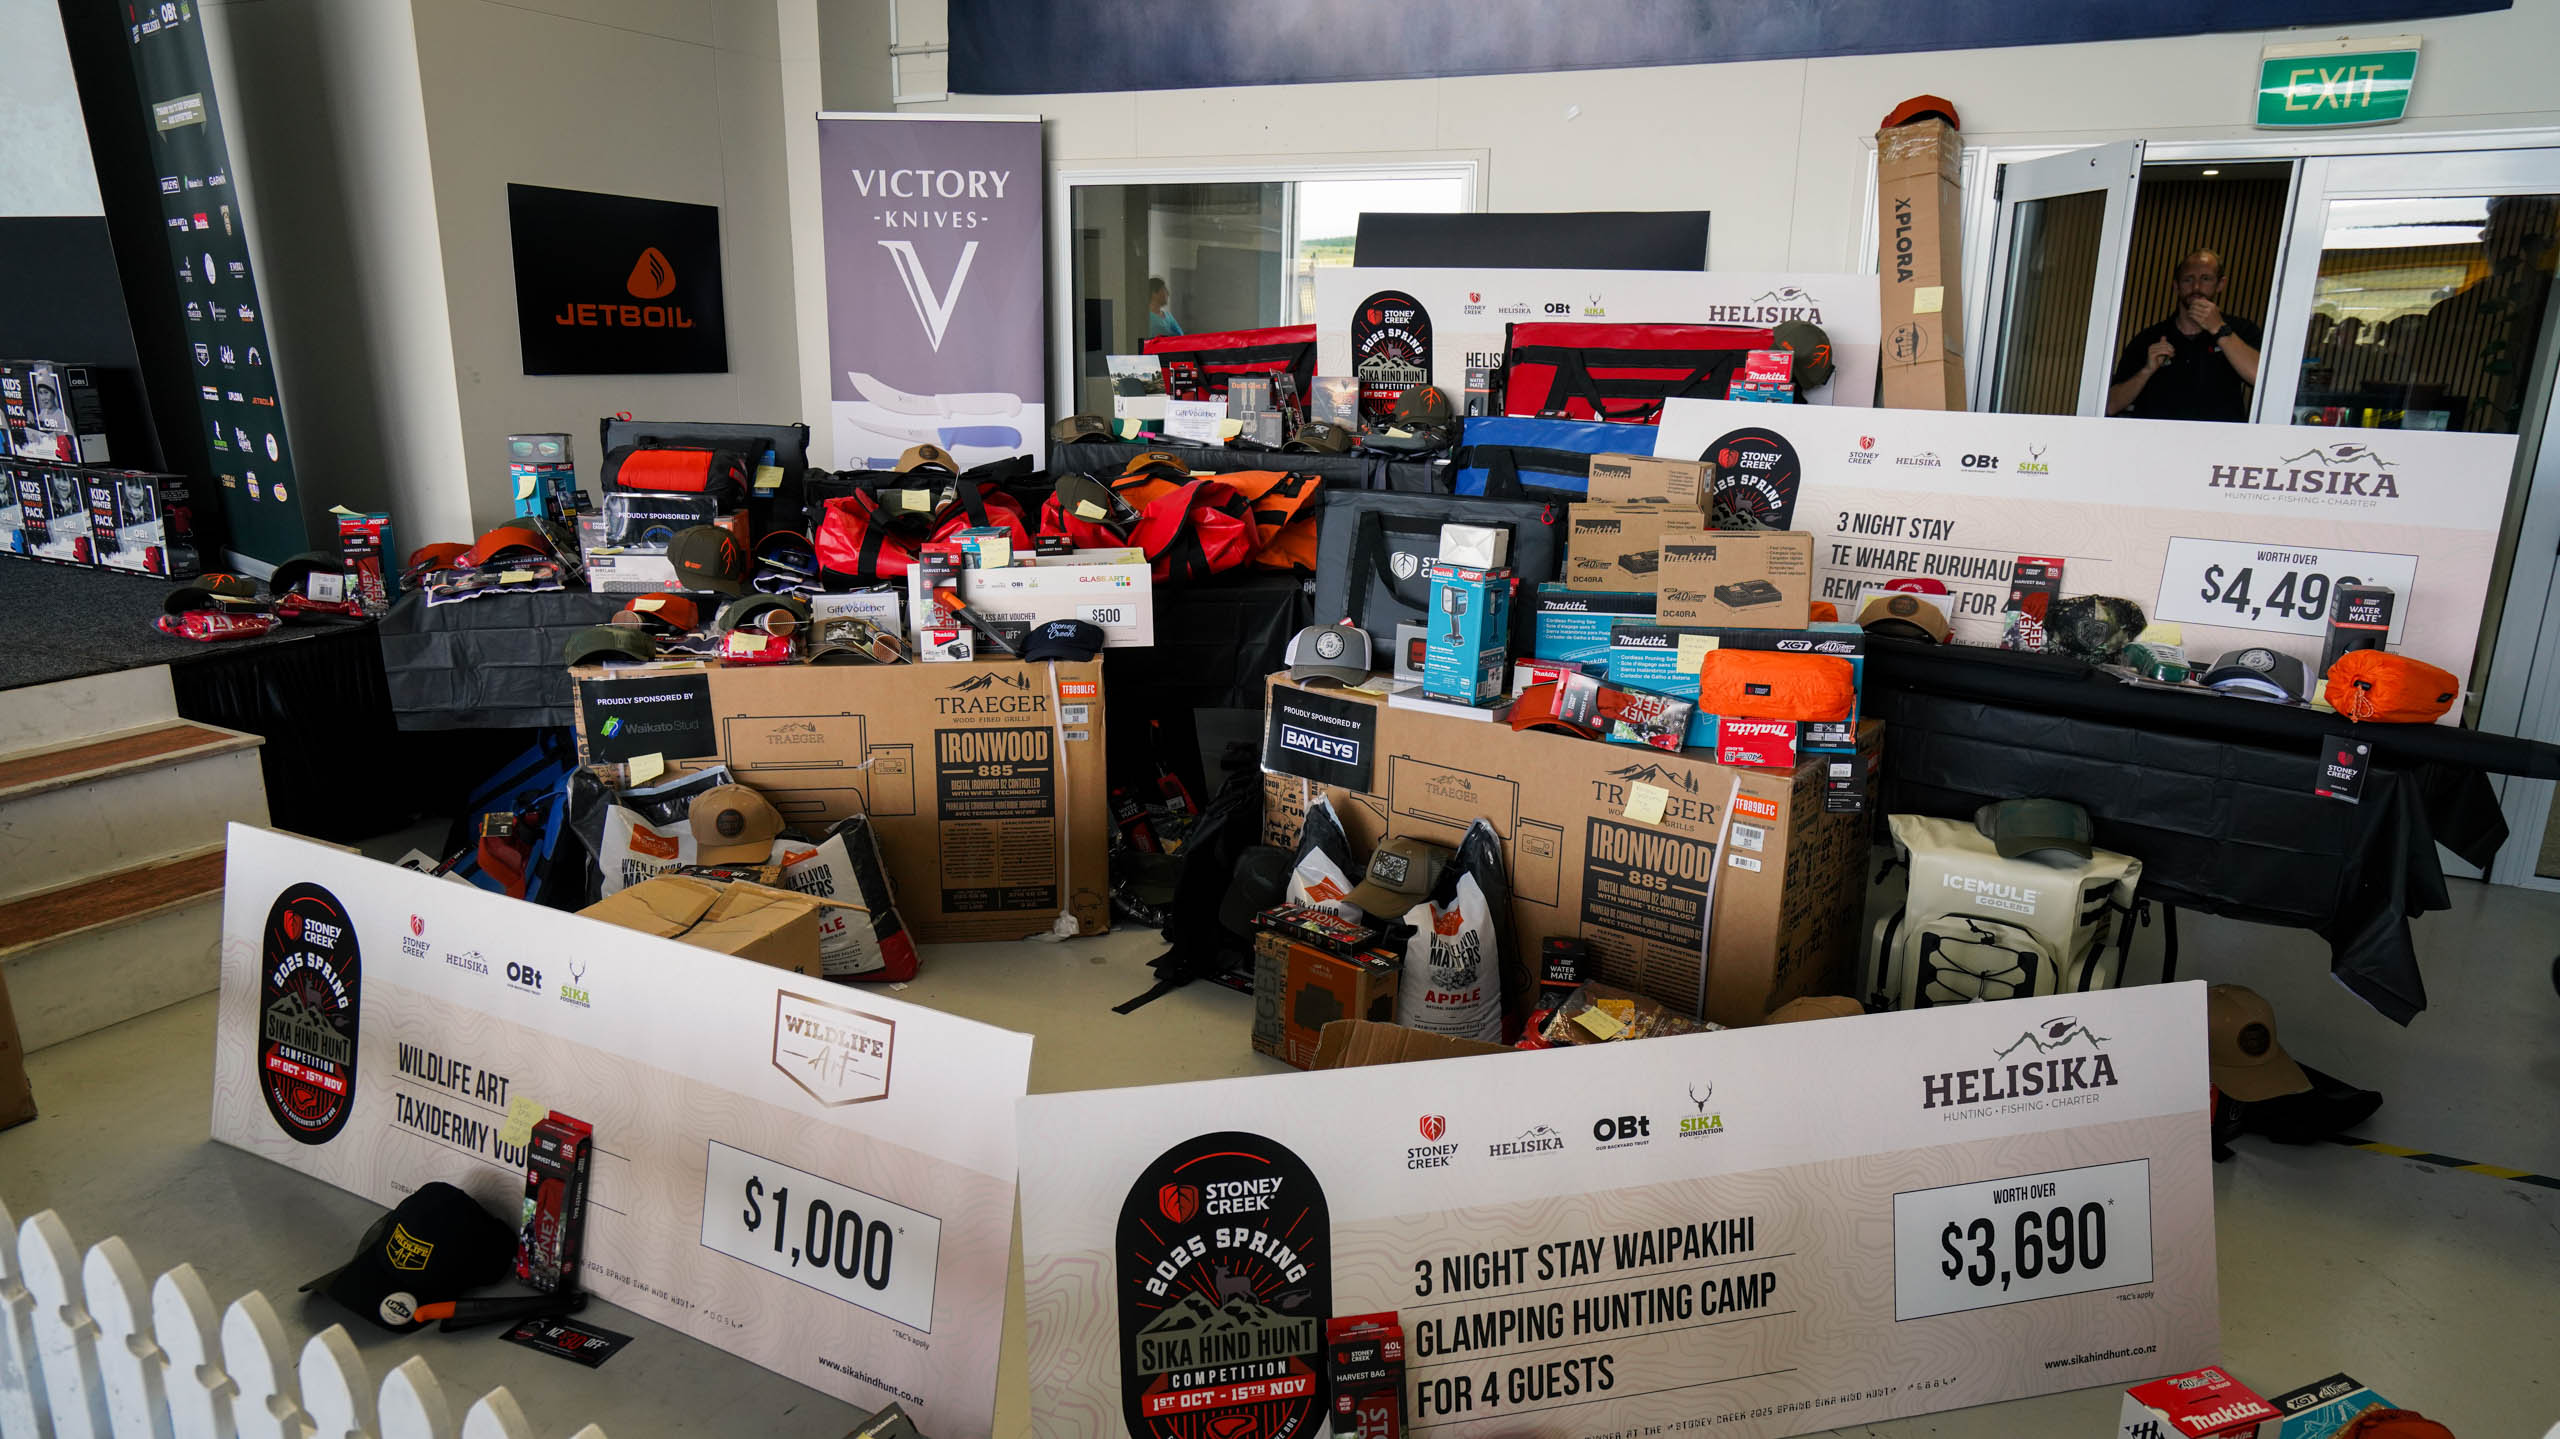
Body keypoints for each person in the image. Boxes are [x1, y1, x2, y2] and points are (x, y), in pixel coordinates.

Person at [2106, 250, 2262, 421]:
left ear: (2220, 284)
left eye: (2206, 279)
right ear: (2176, 286)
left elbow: (2260, 378)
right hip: (2157, 436)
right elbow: (2111, 406)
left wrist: (2219, 329)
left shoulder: (2240, 330)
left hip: (2222, 437)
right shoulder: (2149, 338)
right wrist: (2147, 370)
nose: (2196, 287)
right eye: (2188, 279)